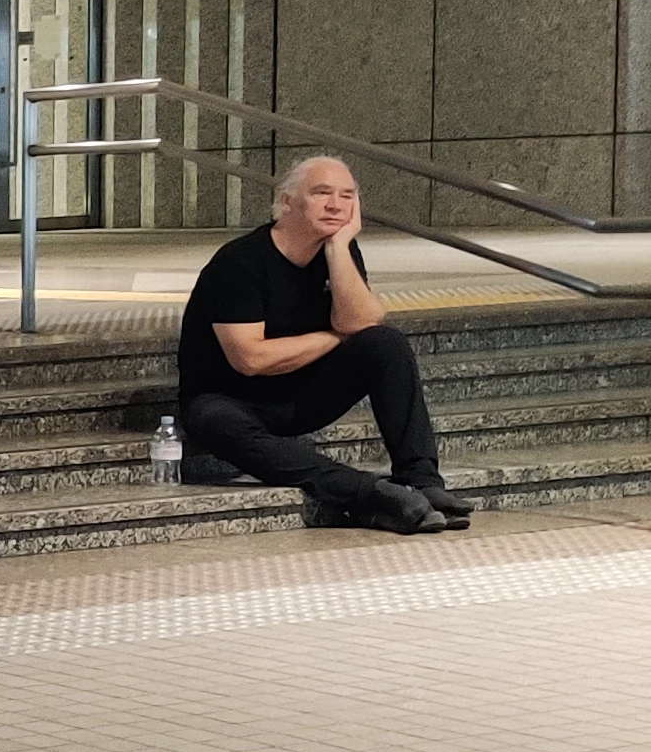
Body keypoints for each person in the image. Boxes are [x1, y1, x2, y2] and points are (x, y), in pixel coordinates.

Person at [179, 156, 473, 533]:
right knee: (213, 420)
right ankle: (369, 491)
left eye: (347, 196)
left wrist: (338, 246)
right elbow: (251, 359)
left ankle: (422, 480)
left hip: (303, 396)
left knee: (386, 345)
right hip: (232, 401)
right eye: (321, 193)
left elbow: (364, 322)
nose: (336, 205)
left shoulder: (341, 252)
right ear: (287, 202)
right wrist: (334, 336)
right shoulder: (238, 264)